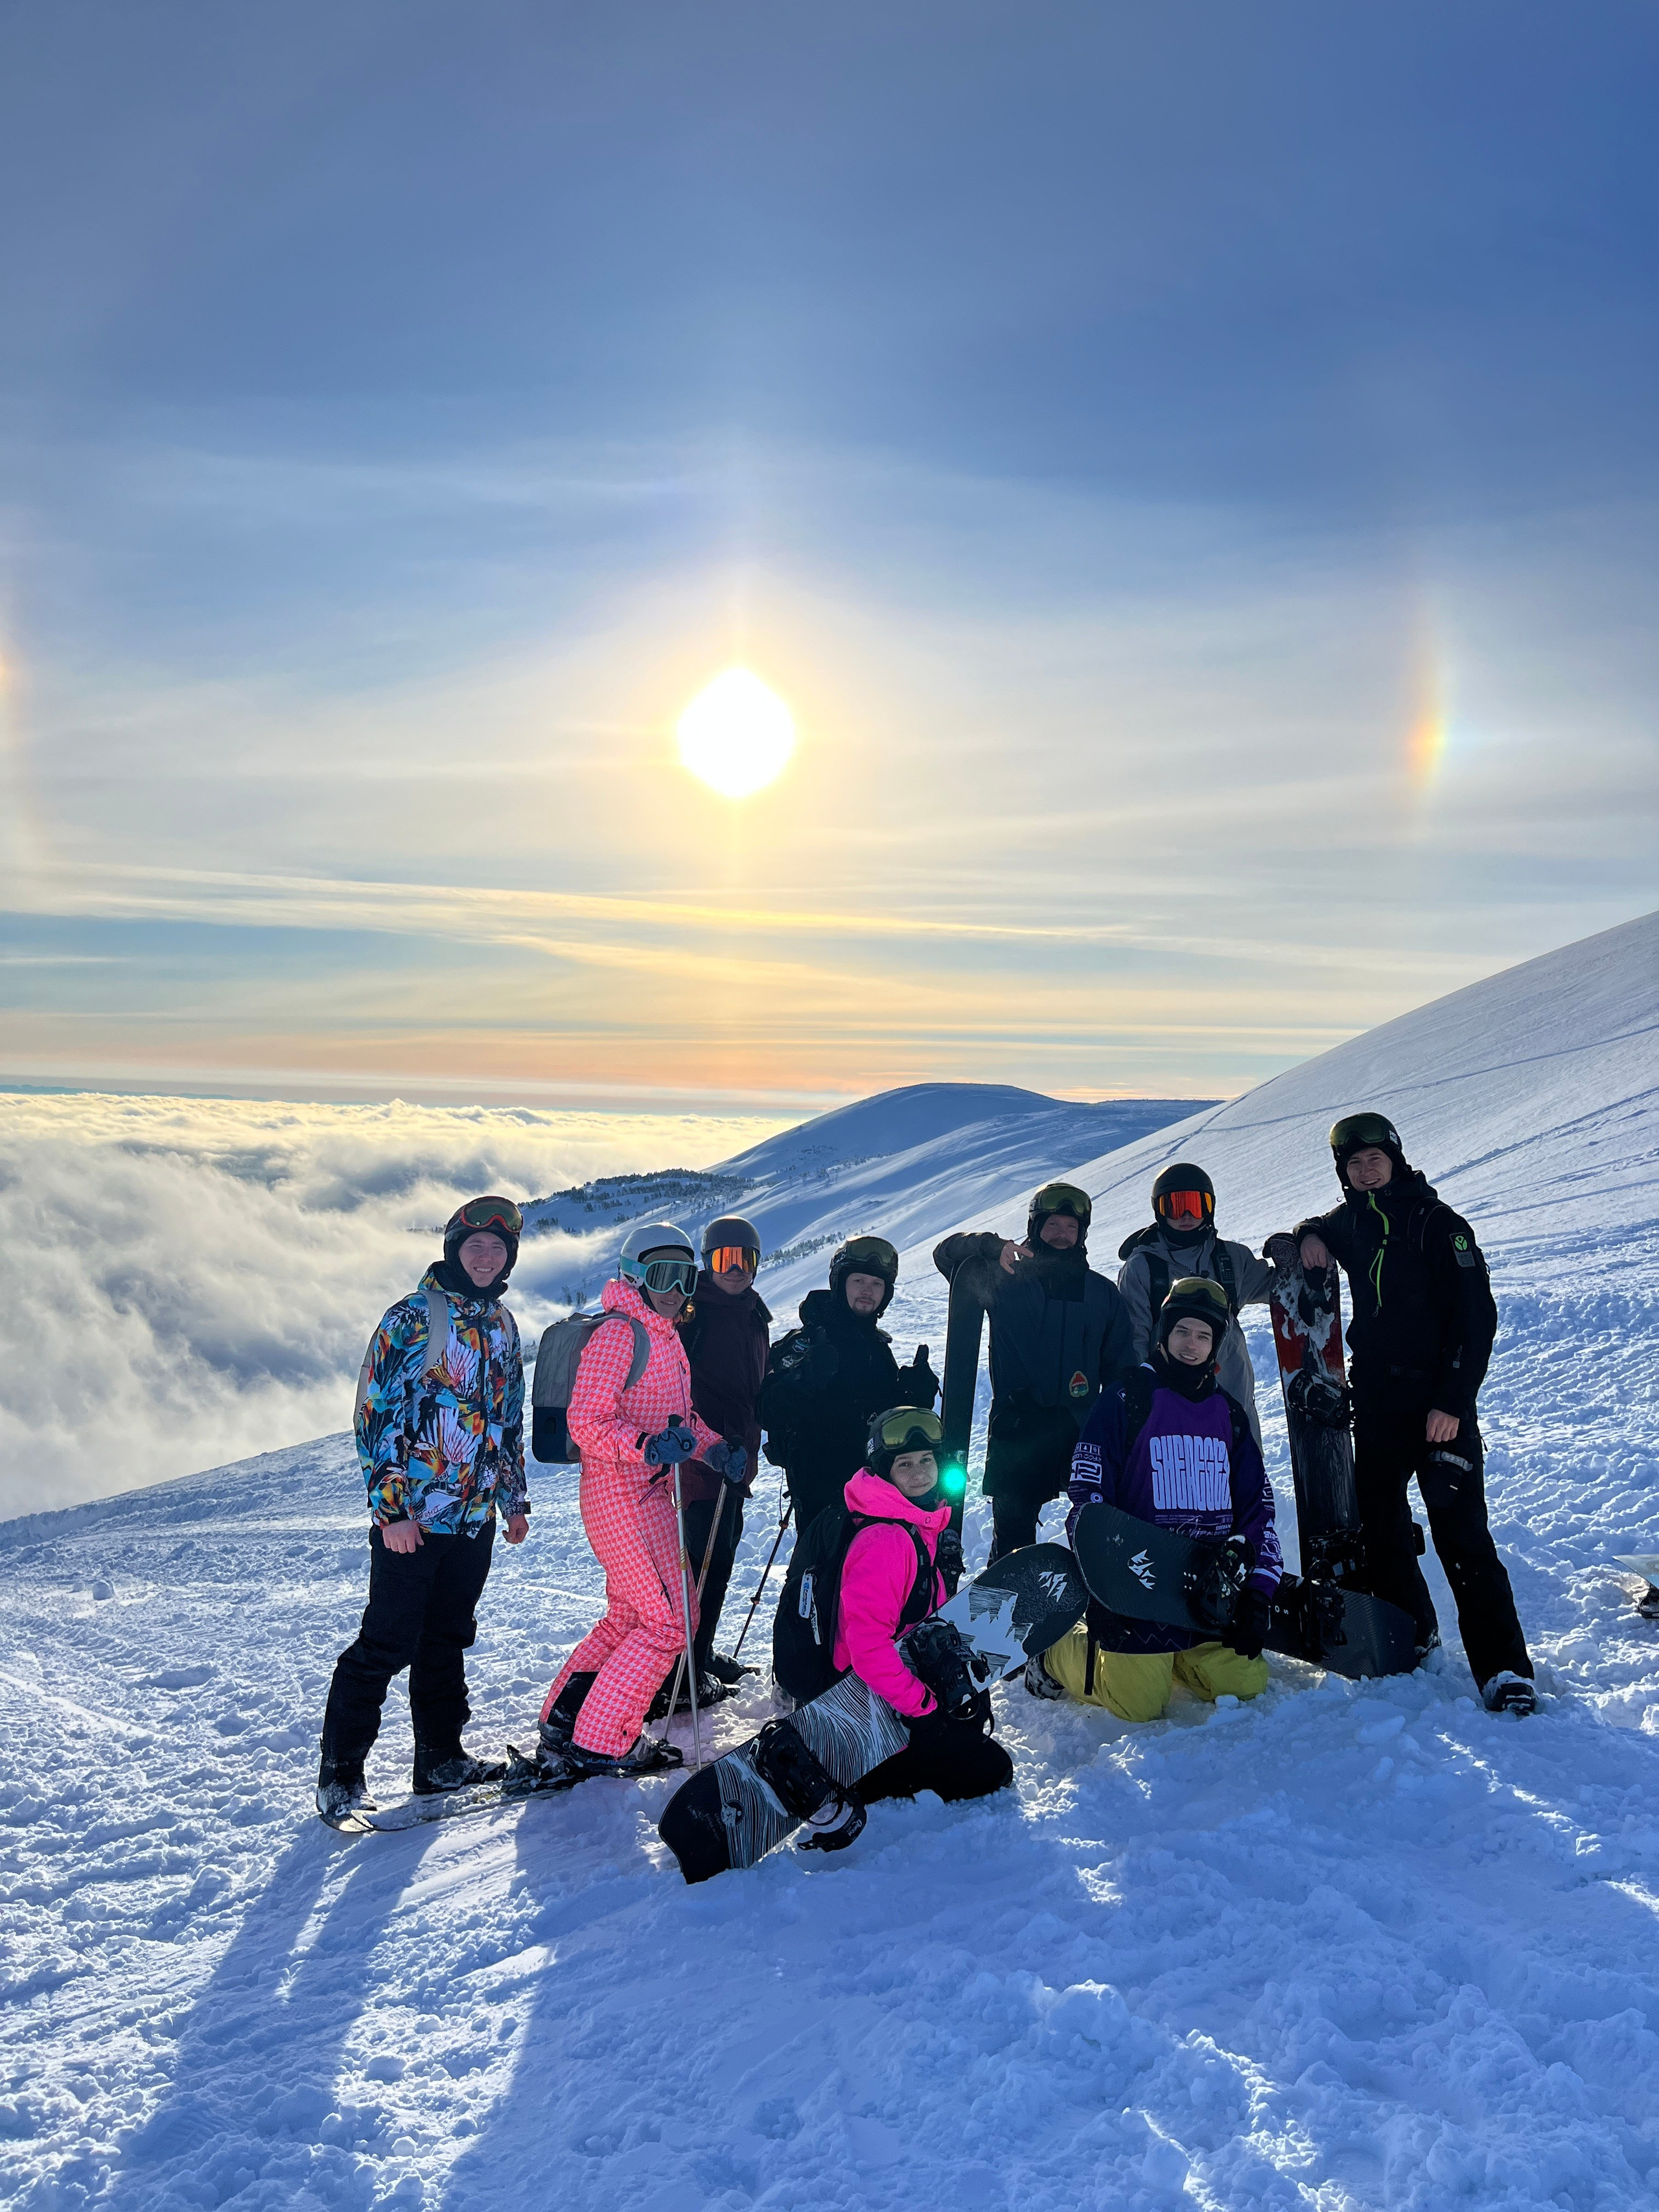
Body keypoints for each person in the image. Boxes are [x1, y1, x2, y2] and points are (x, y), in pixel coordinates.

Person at [1292, 1112, 1537, 1715]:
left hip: (1438, 1407)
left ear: (1396, 1159)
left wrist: (1453, 1402)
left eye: (1377, 1158)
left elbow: (1476, 1319)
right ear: (1344, 1173)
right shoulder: (1351, 1221)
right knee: (1383, 1531)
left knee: (1463, 1537)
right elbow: (1316, 1225)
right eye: (1355, 1163)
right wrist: (1306, 1234)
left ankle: (1504, 1669)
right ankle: (1416, 1633)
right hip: (1378, 1403)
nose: (1367, 1168)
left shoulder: (1438, 1223)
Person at [317, 1196, 529, 1822]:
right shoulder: (413, 1317)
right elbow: (375, 1416)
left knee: (446, 1637)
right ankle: (341, 1773)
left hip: (473, 1518)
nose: (486, 1258)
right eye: (475, 1247)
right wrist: (392, 1512)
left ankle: (440, 1757)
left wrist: (511, 1500)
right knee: (386, 1641)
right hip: (414, 1518)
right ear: (453, 1251)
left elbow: (506, 1421)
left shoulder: (503, 1324)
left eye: (498, 1248)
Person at [528, 1224, 747, 1780]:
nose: (674, 1288)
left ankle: (566, 1715)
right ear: (634, 1276)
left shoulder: (664, 1334)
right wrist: (646, 1446)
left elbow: (681, 1421)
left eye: (683, 1276)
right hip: (618, 1494)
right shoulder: (621, 1334)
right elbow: (588, 1421)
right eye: (660, 1274)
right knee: (668, 1623)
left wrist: (714, 1449)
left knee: (638, 1613)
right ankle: (603, 1740)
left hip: (648, 1493)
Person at [1028, 1277, 1282, 1720]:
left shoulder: (1229, 1414)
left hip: (1205, 1590)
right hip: (1137, 1587)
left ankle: (1179, 1657)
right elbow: (1088, 1500)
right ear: (1165, 1332)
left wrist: (1257, 1593)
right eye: (1183, 1330)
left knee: (1247, 1683)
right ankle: (1053, 1650)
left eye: (1204, 1335)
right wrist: (1100, 1590)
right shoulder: (1127, 1399)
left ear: (1216, 1344)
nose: (1192, 1344)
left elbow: (1257, 1511)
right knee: (1139, 1705)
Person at [934, 1182, 1136, 1563]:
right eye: (1053, 1225)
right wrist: (991, 1247)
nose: (1062, 1235)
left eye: (1070, 1227)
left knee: (1096, 1533)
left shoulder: (1102, 1293)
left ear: (1082, 1234)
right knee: (1013, 1542)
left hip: (1082, 1428)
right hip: (1019, 1428)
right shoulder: (1003, 1277)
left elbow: (1120, 1367)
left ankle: (1095, 1608)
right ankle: (1006, 1609)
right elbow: (946, 1255)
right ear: (1035, 1227)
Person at [835, 1407, 1012, 1810]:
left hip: (904, 1676)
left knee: (976, 1735)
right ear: (885, 1472)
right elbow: (867, 1649)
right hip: (869, 1697)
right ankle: (872, 1771)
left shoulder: (919, 1522)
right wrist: (922, 1709)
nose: (919, 1473)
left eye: (927, 1461)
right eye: (905, 1464)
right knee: (991, 1771)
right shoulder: (885, 1540)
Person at [650, 1215, 772, 1712]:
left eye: (746, 1258)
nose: (736, 1268)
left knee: (717, 1564)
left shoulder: (752, 1312)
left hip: (736, 1459)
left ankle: (697, 1658)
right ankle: (679, 1674)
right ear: (708, 1260)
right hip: (698, 1461)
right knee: (695, 1569)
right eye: (725, 1258)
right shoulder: (693, 1312)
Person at [758, 1234, 938, 1532]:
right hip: (824, 1497)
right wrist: (805, 1381)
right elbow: (766, 1412)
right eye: (859, 1281)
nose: (867, 1291)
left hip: (879, 1490)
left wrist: (913, 1398)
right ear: (840, 1284)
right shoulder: (808, 1343)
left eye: (877, 1284)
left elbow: (884, 1421)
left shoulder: (877, 1348)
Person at [1117, 1162, 1275, 1447]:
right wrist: (1139, 1393)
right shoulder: (1143, 1267)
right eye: (1176, 1206)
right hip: (1170, 1398)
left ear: (1210, 1207)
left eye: (1195, 1204)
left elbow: (1279, 1290)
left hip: (1232, 1392)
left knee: (1241, 1479)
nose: (1187, 1215)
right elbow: (1135, 1336)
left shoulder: (1231, 1258)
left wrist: (1302, 1244)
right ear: (1160, 1211)